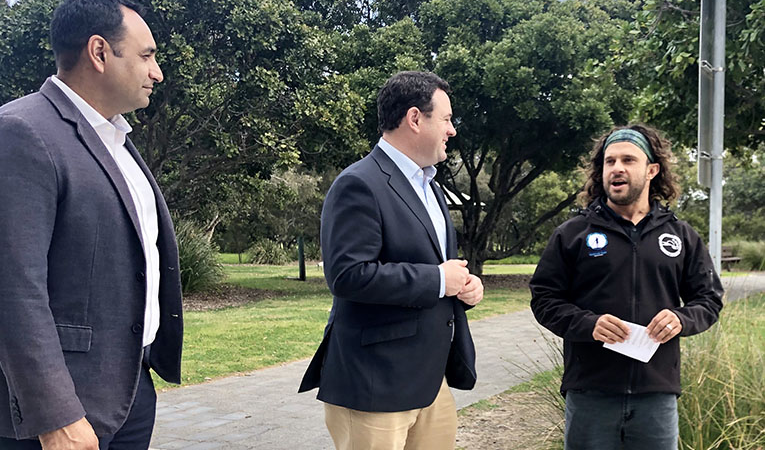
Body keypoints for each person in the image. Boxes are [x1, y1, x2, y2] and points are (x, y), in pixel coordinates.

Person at [0, 0, 183, 449]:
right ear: (99, 52)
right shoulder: (21, 131)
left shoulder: (114, 138)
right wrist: (55, 415)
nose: (157, 72)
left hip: (128, 390)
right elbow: (12, 286)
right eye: (146, 56)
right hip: (57, 414)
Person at [299, 71, 484, 449]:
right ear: (415, 118)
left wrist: (463, 286)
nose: (452, 131)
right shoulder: (359, 183)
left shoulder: (431, 186)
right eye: (447, 119)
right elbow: (348, 275)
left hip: (431, 382)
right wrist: (438, 280)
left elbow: (435, 264)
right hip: (375, 384)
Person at [529, 124, 724, 449]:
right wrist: (588, 324)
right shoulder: (573, 233)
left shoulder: (681, 236)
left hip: (656, 395)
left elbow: (709, 299)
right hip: (590, 392)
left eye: (628, 160)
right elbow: (544, 299)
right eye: (610, 161)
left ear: (652, 170)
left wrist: (681, 319)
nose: (617, 168)